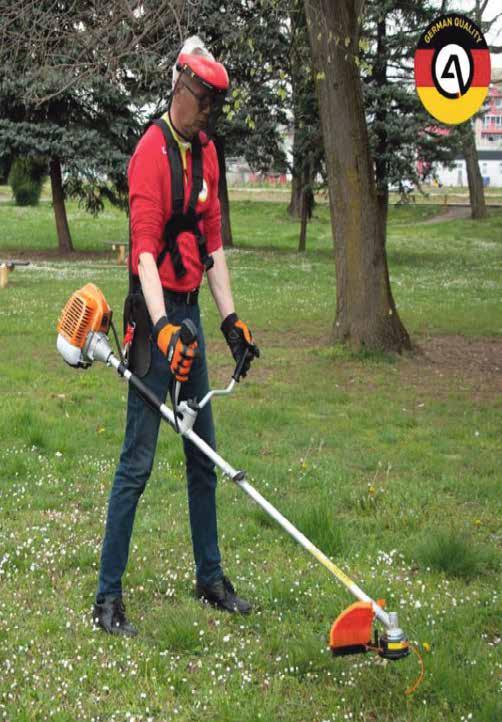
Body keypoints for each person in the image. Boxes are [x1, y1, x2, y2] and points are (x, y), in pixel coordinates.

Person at [93, 37, 259, 637]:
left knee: (202, 457)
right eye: (200, 99)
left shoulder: (207, 154)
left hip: (189, 319)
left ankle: (210, 579)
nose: (205, 112)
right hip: (152, 323)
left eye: (213, 104)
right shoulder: (150, 153)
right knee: (136, 463)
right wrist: (162, 328)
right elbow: (143, 251)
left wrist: (230, 320)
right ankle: (107, 599)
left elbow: (212, 244)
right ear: (178, 87)